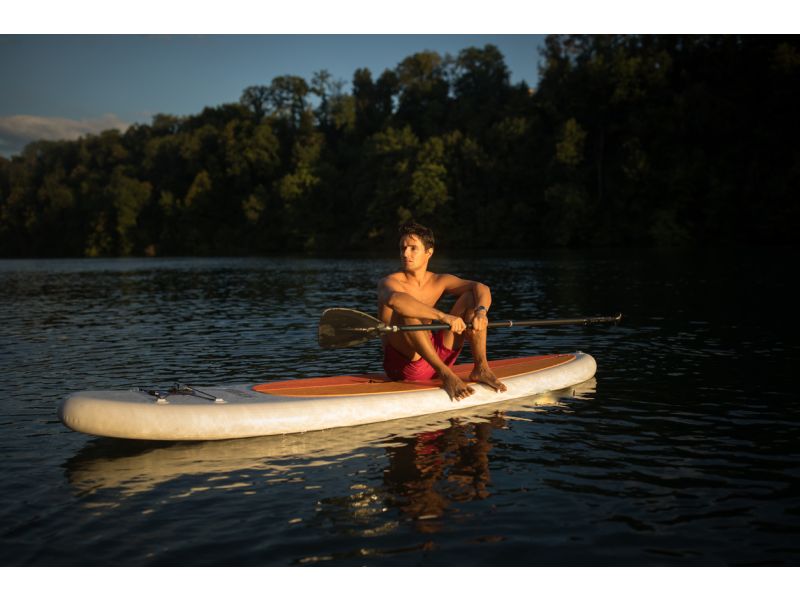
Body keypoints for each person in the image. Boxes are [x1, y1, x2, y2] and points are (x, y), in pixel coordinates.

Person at [377, 221, 507, 401]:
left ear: (429, 253)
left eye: (413, 248)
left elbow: (481, 287)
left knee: (471, 298)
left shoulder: (438, 280)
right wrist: (443, 316)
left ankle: (481, 368)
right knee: (406, 313)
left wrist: (481, 313)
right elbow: (395, 300)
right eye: (402, 248)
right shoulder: (389, 282)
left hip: (438, 355)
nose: (405, 253)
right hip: (406, 366)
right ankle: (446, 375)